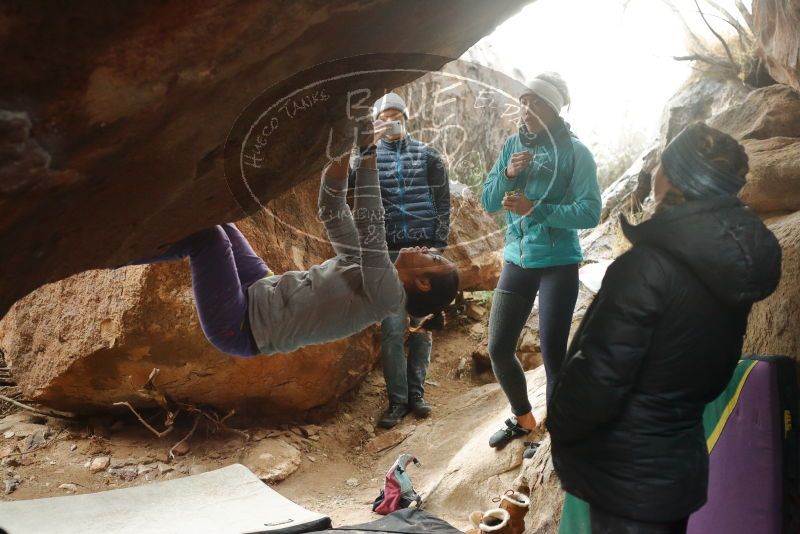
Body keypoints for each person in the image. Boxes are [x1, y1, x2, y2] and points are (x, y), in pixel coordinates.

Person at [547, 122, 782, 534]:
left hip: (626, 476)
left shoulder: (647, 267)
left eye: (661, 162)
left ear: (674, 178)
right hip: (678, 466)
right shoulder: (726, 265)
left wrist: (560, 422)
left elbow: (598, 378)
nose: (655, 170)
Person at [128, 120, 459, 358]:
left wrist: (368, 153)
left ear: (424, 283)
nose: (426, 249)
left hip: (240, 326)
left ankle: (116, 254)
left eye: (433, 258)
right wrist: (343, 154)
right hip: (260, 289)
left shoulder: (387, 297)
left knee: (209, 240)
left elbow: (371, 229)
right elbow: (331, 209)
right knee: (219, 223)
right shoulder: (374, 271)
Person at [480, 72, 601, 453]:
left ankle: (551, 437)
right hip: (518, 258)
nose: (527, 108)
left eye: (537, 102)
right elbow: (487, 201)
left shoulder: (576, 152)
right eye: (524, 100)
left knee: (552, 355)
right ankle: (524, 420)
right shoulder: (512, 144)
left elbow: (590, 211)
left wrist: (537, 209)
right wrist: (508, 173)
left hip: (558, 262)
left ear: (554, 108)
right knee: (499, 347)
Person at [365, 92, 452, 428]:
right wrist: (364, 149)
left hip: (421, 253)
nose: (390, 121)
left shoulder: (428, 155)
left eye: (395, 115)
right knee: (391, 329)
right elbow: (350, 190)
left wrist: (437, 248)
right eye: (383, 117)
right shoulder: (369, 158)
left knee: (421, 326)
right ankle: (397, 401)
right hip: (388, 254)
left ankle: (417, 395)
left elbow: (443, 202)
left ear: (405, 117)